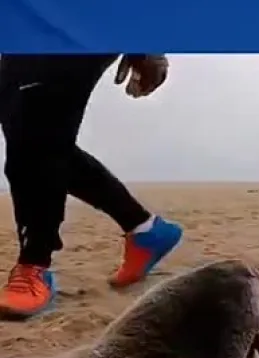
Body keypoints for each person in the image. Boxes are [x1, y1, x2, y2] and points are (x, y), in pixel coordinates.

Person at [0, 53, 183, 319]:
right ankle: (144, 228)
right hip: (25, 25)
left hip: (82, 23)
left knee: (39, 126)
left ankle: (34, 263)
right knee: (27, 131)